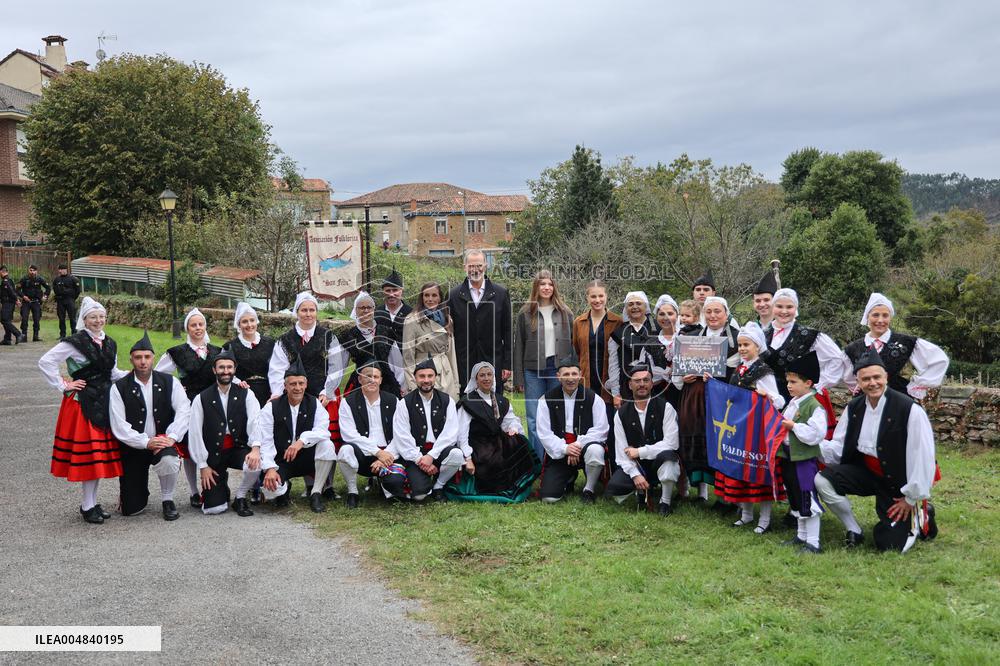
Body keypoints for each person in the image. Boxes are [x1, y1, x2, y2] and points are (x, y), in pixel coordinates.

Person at [815, 349, 939, 553]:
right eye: (865, 379)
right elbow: (838, 446)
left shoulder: (909, 409)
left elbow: (922, 456)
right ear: (858, 382)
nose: (872, 383)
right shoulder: (854, 408)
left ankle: (922, 513)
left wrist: (910, 498)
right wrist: (808, 443)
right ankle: (853, 528)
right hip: (867, 472)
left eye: (876, 377)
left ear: (886, 377)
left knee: (888, 545)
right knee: (823, 480)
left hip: (898, 482)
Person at [37, 297, 129, 523]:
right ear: (84, 319)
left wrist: (138, 375)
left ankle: (91, 503)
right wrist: (64, 385)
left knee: (97, 458)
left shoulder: (111, 343)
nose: (98, 321)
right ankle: (88, 505)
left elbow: (113, 373)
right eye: (93, 317)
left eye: (101, 317)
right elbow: (45, 361)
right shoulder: (74, 342)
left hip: (105, 402)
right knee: (91, 458)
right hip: (83, 404)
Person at [269, 290, 347, 497]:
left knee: (327, 439)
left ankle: (327, 485)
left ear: (316, 313)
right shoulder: (285, 340)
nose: (308, 314)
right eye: (304, 310)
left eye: (312, 310)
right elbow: (277, 369)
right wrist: (279, 393)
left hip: (323, 393)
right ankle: (310, 484)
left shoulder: (327, 336)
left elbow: (336, 365)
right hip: (295, 393)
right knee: (299, 433)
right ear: (297, 312)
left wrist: (327, 392)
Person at [109, 331, 192, 520]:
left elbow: (184, 410)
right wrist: (145, 442)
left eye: (147, 357)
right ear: (131, 359)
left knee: (170, 461)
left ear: (153, 358)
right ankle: (136, 493)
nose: (143, 361)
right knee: (131, 509)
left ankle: (167, 499)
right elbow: (119, 425)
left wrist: (171, 437)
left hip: (163, 442)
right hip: (134, 447)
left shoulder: (170, 382)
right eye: (138, 357)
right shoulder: (119, 387)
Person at [714, 322, 786, 534]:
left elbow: (779, 400)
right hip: (741, 428)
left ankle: (764, 518)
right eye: (740, 345)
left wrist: (768, 396)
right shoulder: (739, 369)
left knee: (758, 473)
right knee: (741, 470)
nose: (742, 349)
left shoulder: (764, 372)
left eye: (747, 345)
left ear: (758, 347)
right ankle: (746, 514)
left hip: (758, 430)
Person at [155, 307, 222, 508]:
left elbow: (227, 372)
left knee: (210, 446)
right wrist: (176, 386)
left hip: (212, 404)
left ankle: (211, 487)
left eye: (201, 324)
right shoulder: (177, 352)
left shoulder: (217, 351)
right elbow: (159, 374)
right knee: (191, 448)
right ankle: (194, 491)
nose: (198, 328)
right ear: (187, 328)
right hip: (189, 404)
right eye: (193, 325)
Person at [678, 296, 740, 505]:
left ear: (726, 314)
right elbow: (680, 369)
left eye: (717, 311)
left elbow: (738, 371)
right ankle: (701, 493)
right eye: (709, 311)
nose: (713, 316)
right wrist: (683, 376)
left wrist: (719, 377)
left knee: (721, 443)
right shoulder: (693, 337)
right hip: (696, 397)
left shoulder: (736, 339)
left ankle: (726, 497)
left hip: (723, 399)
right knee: (698, 441)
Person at [187, 349, 263, 517]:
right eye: (221, 367)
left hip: (238, 448)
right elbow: (195, 433)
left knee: (257, 463)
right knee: (214, 509)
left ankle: (241, 496)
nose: (226, 371)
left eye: (229, 367)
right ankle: (221, 486)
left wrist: (256, 448)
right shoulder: (202, 398)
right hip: (214, 453)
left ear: (235, 369)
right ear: (214, 370)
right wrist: (203, 465)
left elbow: (255, 421)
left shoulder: (246, 393)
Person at [256, 358, 337, 513]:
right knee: (270, 492)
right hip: (281, 459)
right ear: (285, 386)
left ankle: (316, 492)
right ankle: (284, 487)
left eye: (301, 383)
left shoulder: (315, 404)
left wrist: (302, 441)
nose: (297, 388)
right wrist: (270, 468)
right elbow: (265, 440)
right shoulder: (270, 407)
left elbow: (323, 431)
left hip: (307, 456)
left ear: (306, 384)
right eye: (293, 384)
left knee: (327, 445)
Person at [454, 361, 538, 501]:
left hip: (496, 441)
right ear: (476, 379)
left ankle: (518, 485)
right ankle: (496, 487)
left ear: (494, 377)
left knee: (520, 442)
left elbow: (510, 420)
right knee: (491, 461)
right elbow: (461, 432)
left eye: (489, 375)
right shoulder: (468, 401)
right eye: (482, 375)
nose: (486, 378)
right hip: (478, 445)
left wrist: (513, 429)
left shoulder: (501, 400)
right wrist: (467, 458)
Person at [841, 292, 949, 400]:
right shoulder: (853, 349)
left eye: (885, 315)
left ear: (890, 318)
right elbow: (849, 378)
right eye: (875, 315)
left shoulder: (907, 342)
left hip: (900, 405)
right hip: (865, 405)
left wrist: (916, 385)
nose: (880, 320)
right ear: (867, 316)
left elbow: (939, 360)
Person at [605, 365, 681, 516]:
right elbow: (622, 452)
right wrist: (635, 475)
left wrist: (640, 451)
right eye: (637, 381)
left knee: (669, 459)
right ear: (630, 385)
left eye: (646, 380)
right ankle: (640, 493)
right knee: (615, 488)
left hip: (658, 461)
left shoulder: (665, 407)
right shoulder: (621, 414)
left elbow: (672, 443)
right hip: (637, 464)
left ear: (652, 384)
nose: (642, 384)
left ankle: (665, 502)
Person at [514, 270, 574, 460]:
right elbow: (518, 346)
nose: (546, 287)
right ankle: (537, 464)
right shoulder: (525, 313)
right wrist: (519, 377)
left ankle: (556, 463)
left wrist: (573, 373)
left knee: (557, 418)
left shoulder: (566, 312)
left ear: (554, 287)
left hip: (558, 370)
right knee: (533, 419)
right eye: (542, 284)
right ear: (536, 287)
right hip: (533, 371)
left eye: (550, 284)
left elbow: (573, 344)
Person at [535, 354, 609, 503]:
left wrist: (577, 444)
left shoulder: (594, 398)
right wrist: (565, 448)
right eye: (566, 374)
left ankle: (589, 489)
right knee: (549, 498)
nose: (570, 378)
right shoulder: (545, 400)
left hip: (585, 448)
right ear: (558, 376)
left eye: (574, 374)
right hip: (560, 451)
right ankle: (568, 477)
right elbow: (544, 433)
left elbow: (601, 429)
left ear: (580, 375)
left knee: (596, 450)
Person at [337, 361, 410, 507]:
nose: (372, 380)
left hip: (389, 455)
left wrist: (385, 456)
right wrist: (377, 452)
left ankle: (384, 483)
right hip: (363, 455)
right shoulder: (348, 402)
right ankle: (353, 492)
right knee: (345, 450)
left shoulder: (393, 400)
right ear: (360, 379)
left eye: (376, 377)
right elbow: (349, 435)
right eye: (368, 376)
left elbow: (400, 433)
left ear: (381, 380)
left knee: (395, 488)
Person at [392, 359, 465, 502]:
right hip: (416, 455)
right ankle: (425, 482)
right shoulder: (404, 403)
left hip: (439, 451)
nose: (426, 380)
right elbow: (402, 436)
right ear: (415, 378)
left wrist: (431, 456)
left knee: (456, 454)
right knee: (419, 496)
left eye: (430, 376)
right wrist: (421, 460)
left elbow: (450, 432)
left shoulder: (447, 400)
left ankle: (438, 485)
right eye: (422, 376)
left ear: (435, 377)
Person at [777, 352, 828, 553]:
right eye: (788, 381)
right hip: (789, 456)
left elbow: (816, 434)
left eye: (793, 382)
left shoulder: (814, 406)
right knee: (795, 497)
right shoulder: (794, 402)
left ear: (808, 383)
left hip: (804, 460)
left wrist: (793, 427)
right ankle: (801, 535)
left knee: (807, 497)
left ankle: (813, 542)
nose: (789, 385)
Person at [447, 249, 513, 395]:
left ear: (485, 266)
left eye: (478, 265)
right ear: (464, 267)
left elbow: (507, 331)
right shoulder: (453, 295)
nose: (475, 269)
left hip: (493, 360)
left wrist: (507, 364)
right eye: (471, 266)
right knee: (466, 406)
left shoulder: (500, 294)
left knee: (493, 406)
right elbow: (449, 333)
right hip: (464, 361)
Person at [764, 288, 843, 403]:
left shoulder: (807, 335)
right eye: (779, 306)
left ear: (795, 308)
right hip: (767, 398)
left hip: (796, 400)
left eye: (789, 307)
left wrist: (818, 383)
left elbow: (837, 358)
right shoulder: (763, 333)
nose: (784, 311)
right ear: (773, 307)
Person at [402, 281, 460, 399]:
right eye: (426, 295)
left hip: (445, 374)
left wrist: (456, 384)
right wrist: (412, 386)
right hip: (424, 374)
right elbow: (408, 357)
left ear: (439, 298)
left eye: (434, 295)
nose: (430, 299)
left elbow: (451, 354)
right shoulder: (412, 320)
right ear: (421, 298)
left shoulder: (447, 319)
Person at [339, 291, 404, 396]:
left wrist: (401, 385)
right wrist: (329, 388)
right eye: (362, 308)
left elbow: (396, 362)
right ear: (356, 310)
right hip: (360, 383)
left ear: (374, 309)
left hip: (386, 383)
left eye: (369, 307)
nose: (366, 310)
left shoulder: (386, 332)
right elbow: (340, 366)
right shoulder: (349, 336)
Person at [571, 279, 623, 406]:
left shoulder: (617, 322)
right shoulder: (579, 322)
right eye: (593, 296)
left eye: (601, 296)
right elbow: (576, 352)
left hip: (608, 382)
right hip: (586, 381)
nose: (597, 300)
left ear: (606, 296)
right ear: (587, 298)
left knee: (608, 422)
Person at [607, 291, 656, 408]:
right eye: (630, 304)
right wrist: (616, 393)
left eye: (638, 303)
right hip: (626, 388)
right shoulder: (618, 334)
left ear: (646, 306)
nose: (634, 307)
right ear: (626, 308)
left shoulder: (657, 330)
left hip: (655, 388)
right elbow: (613, 365)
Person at [223, 302, 277, 407]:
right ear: (239, 324)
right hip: (243, 392)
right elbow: (224, 370)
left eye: (252, 320)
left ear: (256, 322)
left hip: (268, 390)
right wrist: (237, 382)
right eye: (244, 321)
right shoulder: (230, 347)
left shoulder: (270, 343)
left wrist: (276, 390)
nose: (249, 325)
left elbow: (277, 368)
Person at [649, 294, 682, 408]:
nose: (666, 317)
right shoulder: (652, 342)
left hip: (684, 394)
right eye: (661, 314)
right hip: (659, 396)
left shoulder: (686, 337)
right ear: (656, 317)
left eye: (670, 313)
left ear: (677, 316)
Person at [374, 268, 412, 360]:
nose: (391, 294)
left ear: (401, 290)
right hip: (382, 364)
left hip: (406, 362)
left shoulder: (411, 313)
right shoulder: (376, 314)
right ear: (383, 292)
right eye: (388, 290)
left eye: (395, 290)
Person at [17, 264, 50, 342]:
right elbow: (17, 289)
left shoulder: (40, 279)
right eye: (31, 270)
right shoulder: (24, 279)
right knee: (24, 319)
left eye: (34, 270)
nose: (32, 272)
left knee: (36, 319)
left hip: (36, 302)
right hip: (26, 302)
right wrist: (23, 296)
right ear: (28, 270)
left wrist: (45, 296)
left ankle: (36, 336)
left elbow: (48, 288)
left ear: (36, 271)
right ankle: (24, 336)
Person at [52, 263, 82, 340]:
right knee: (61, 318)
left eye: (61, 269)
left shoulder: (73, 279)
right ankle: (62, 334)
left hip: (69, 300)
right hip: (60, 300)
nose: (60, 271)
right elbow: (55, 289)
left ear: (65, 270)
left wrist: (72, 298)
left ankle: (74, 333)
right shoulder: (57, 279)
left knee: (72, 317)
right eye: (59, 270)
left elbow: (78, 290)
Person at [0, 265, 23, 345]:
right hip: (9, 303)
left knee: (4, 320)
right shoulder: (9, 280)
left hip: (8, 303)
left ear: (2, 272)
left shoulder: (5, 281)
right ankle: (7, 339)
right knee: (7, 320)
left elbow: (11, 292)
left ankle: (18, 334)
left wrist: (17, 300)